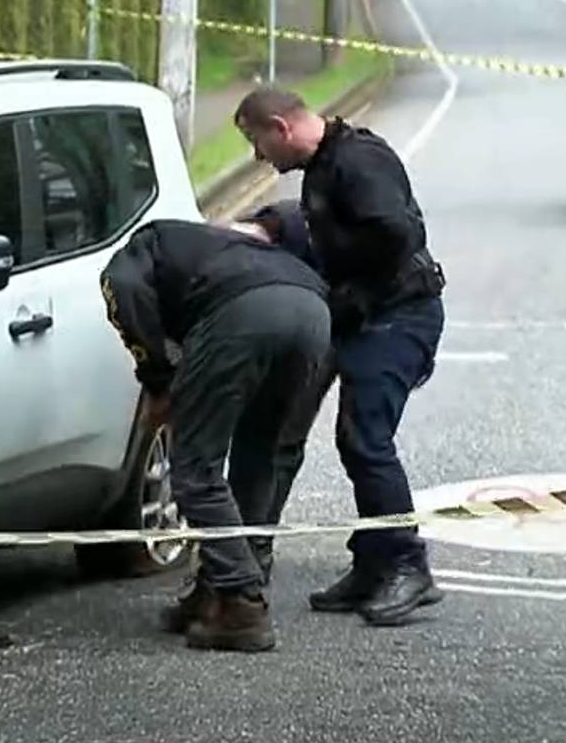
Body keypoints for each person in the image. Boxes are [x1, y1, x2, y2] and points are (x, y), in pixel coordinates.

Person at [233, 87, 448, 627]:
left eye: (257, 141)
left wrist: (352, 292)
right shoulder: (324, 166)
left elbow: (400, 233)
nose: (258, 156)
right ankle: (374, 563)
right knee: (354, 440)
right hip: (368, 317)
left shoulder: (357, 160)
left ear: (281, 127)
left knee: (366, 440)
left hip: (400, 316)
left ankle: (407, 565)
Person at [99, 215, 330, 652]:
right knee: (258, 454)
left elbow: (122, 286)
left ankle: (242, 602)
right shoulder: (216, 247)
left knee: (194, 468)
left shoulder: (141, 247)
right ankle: (219, 588)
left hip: (242, 312)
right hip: (313, 313)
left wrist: (158, 378)